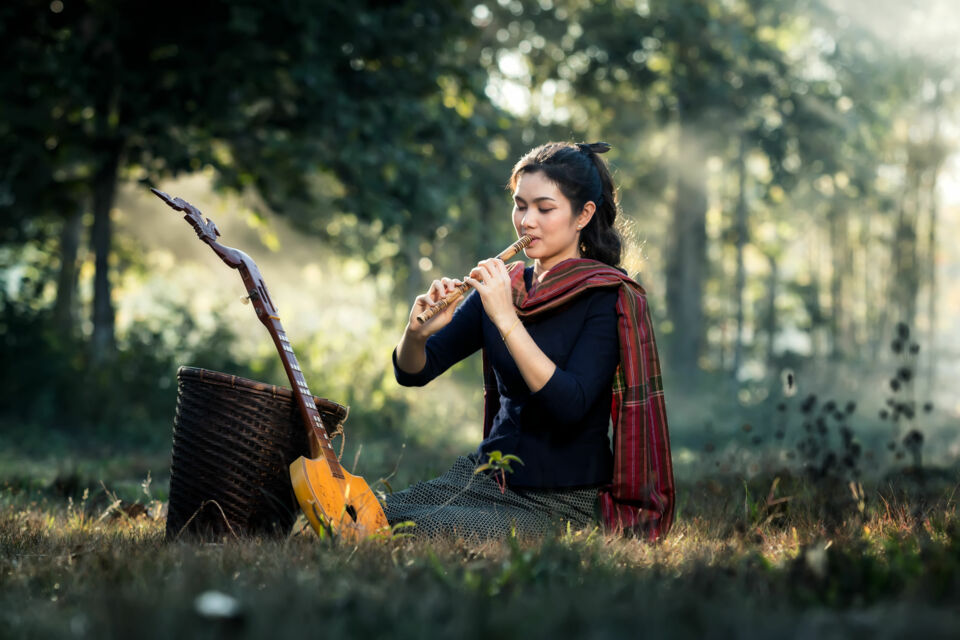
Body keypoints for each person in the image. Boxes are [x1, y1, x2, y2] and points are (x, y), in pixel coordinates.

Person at [386, 141, 675, 541]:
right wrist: (415, 334)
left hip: (561, 501)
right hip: (486, 480)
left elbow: (570, 404)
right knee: (367, 512)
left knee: (412, 528)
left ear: (583, 215)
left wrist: (506, 318)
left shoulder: (604, 296)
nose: (527, 221)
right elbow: (414, 373)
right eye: (520, 206)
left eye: (544, 208)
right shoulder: (510, 285)